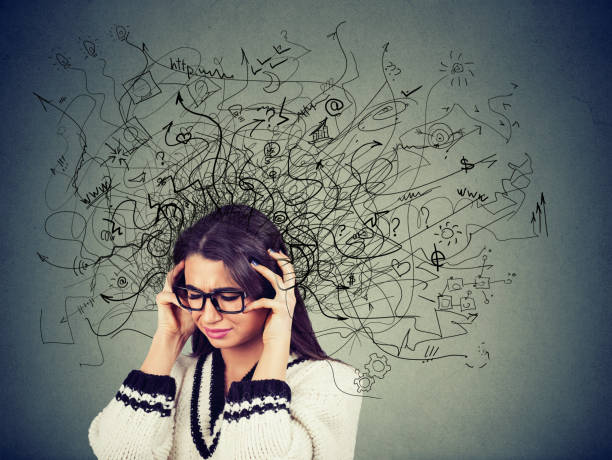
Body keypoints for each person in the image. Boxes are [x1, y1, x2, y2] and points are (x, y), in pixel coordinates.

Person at [88, 204, 363, 459]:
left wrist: (279, 335)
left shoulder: (333, 383)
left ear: (272, 290)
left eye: (229, 296)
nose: (207, 315)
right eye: (194, 294)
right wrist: (167, 339)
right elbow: (118, 454)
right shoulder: (173, 375)